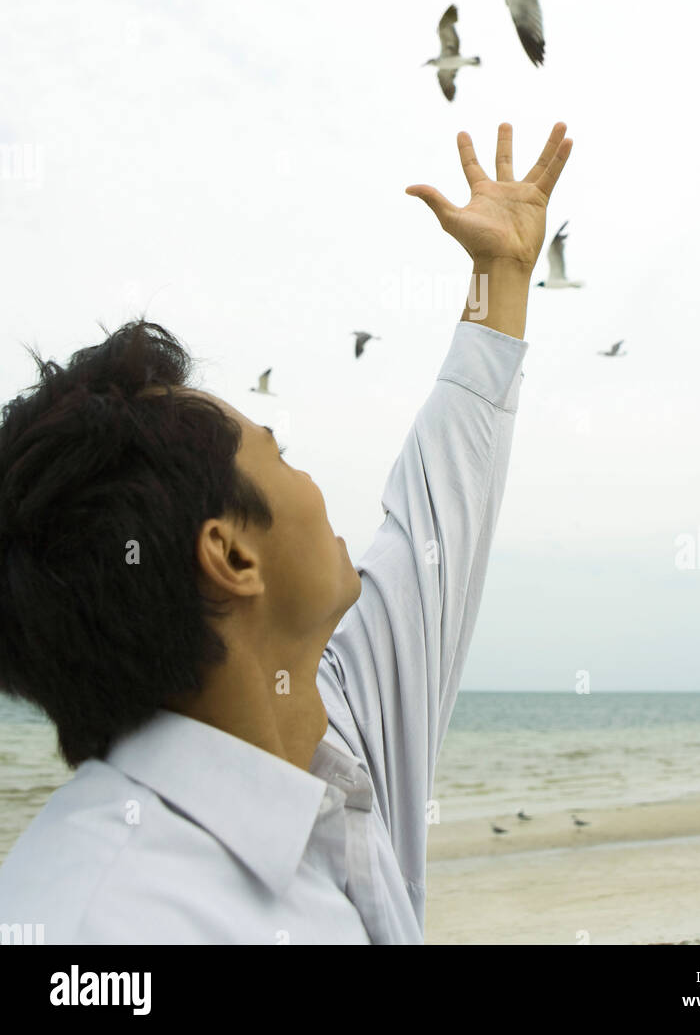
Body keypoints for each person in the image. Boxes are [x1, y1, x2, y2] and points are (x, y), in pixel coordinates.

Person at [0, 121, 572, 944]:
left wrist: (498, 278)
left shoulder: (324, 730)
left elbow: (439, 513)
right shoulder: (98, 925)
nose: (310, 481)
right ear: (230, 555)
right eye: (279, 453)